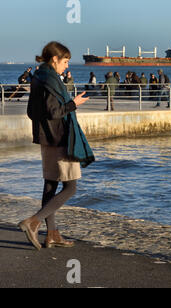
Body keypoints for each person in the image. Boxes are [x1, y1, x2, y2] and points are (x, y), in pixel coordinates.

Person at [21, 41, 94, 251]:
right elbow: (55, 112)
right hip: (60, 138)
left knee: (50, 185)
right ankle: (33, 222)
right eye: (66, 61)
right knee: (71, 187)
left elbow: (31, 113)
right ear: (55, 59)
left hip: (46, 139)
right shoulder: (51, 79)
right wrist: (73, 104)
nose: (67, 66)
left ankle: (52, 234)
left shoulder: (38, 77)